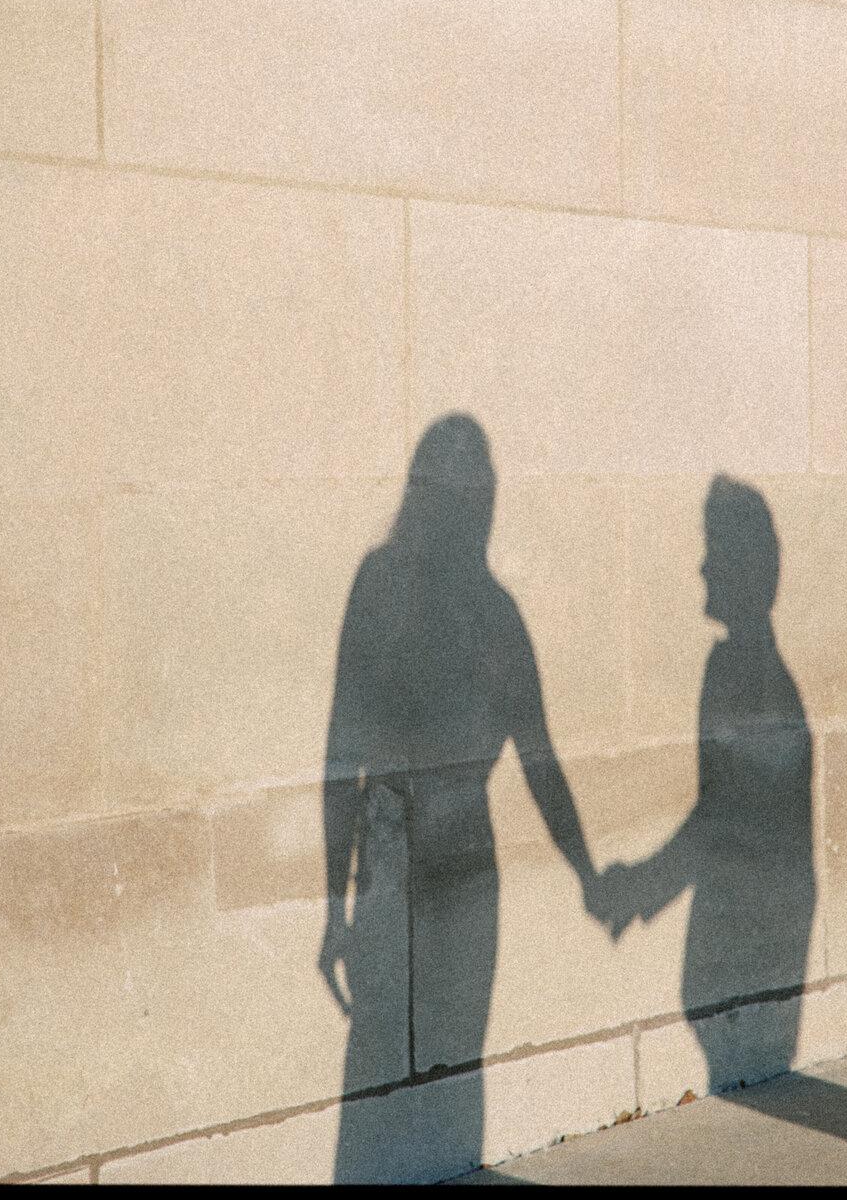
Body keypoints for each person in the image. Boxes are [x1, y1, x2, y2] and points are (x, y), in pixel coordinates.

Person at [320, 414, 609, 1178]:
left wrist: (331, 908)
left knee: (390, 1078)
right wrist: (588, 876)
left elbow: (340, 751)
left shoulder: (390, 584)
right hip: (440, 853)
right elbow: (539, 760)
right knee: (448, 1080)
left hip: (404, 852)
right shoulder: (483, 607)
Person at [603, 478, 815, 1085]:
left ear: (751, 569)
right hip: (758, 906)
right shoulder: (739, 665)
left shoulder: (740, 671)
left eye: (714, 549)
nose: (701, 565)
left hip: (758, 914)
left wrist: (640, 888)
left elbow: (724, 807)